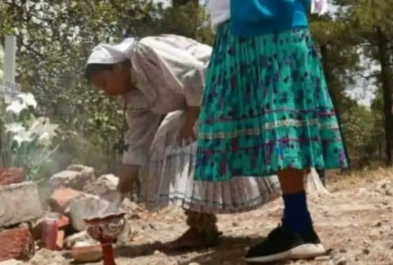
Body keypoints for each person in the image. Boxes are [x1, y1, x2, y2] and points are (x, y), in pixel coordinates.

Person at [193, 0, 348, 263]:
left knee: (281, 126)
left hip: (269, 33)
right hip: (261, 28)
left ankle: (298, 225)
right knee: (277, 127)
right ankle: (296, 221)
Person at [85, 36, 280, 251]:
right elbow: (138, 142)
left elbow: (195, 70)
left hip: (225, 84)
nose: (107, 92)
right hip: (199, 105)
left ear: (119, 67)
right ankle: (202, 227)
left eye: (105, 83)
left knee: (184, 138)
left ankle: (292, 209)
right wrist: (121, 191)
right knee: (170, 141)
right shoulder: (134, 99)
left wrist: (193, 116)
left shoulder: (145, 52)